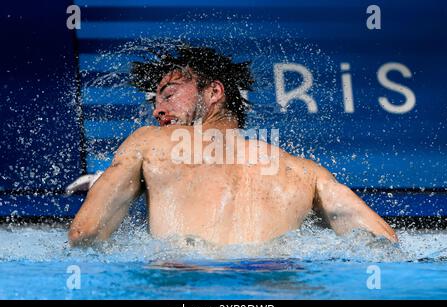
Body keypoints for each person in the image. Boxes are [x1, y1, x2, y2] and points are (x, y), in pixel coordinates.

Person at [68, 45, 397, 246]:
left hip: (188, 284)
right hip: (272, 286)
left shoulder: (149, 142)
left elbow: (85, 234)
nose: (157, 110)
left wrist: (119, 192)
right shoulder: (303, 173)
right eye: (155, 101)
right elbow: (384, 243)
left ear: (214, 92)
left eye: (168, 95)